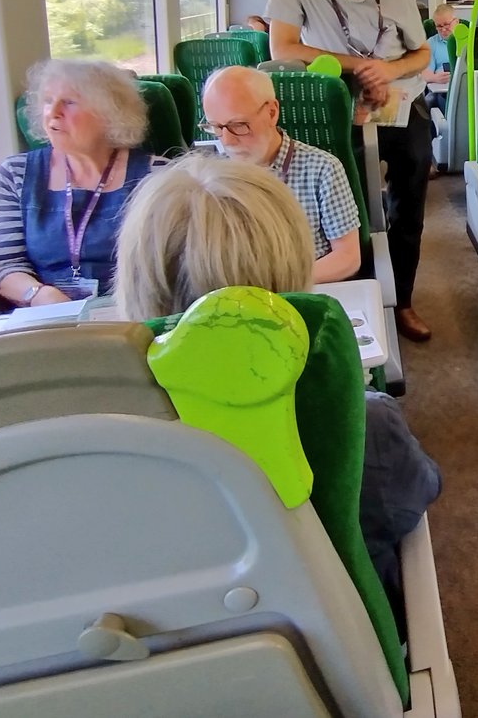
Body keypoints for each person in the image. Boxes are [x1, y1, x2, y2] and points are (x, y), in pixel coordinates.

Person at [114, 153, 440, 617]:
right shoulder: (360, 421)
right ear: (292, 270)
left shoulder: (99, 430)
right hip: (333, 640)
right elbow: (412, 498)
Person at [265, 0, 434, 342]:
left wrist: (387, 70)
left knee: (407, 210)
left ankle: (403, 301)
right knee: (346, 212)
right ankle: (354, 300)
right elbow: (283, 47)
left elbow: (421, 54)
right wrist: (359, 67)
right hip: (339, 103)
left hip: (400, 100)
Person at [0, 59, 154, 306]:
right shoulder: (15, 174)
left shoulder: (156, 174)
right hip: (46, 313)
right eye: (48, 100)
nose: (53, 112)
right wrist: (38, 294)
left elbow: (169, 265)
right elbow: (5, 265)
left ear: (109, 114)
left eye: (69, 102)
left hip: (130, 311)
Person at [200, 66, 361, 284]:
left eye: (238, 125)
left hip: (303, 289)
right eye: (216, 127)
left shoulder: (322, 169)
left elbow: (348, 258)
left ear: (271, 112)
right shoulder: (212, 177)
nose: (227, 141)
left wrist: (276, 283)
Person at [422, 3, 457, 115]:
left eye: (446, 24)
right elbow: (424, 74)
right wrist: (434, 78)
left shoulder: (469, 41)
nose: (443, 29)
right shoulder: (431, 44)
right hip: (443, 93)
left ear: (456, 21)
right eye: (439, 26)